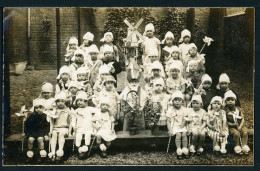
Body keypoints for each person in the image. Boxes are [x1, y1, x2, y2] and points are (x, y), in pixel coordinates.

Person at [48, 92, 73, 162]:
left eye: (62, 101)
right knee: (54, 135)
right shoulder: (54, 111)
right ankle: (53, 153)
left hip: (64, 128)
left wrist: (69, 132)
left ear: (65, 102)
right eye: (58, 101)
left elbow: (71, 122)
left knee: (61, 134)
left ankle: (60, 153)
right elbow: (51, 122)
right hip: (55, 128)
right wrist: (50, 131)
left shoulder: (68, 110)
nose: (60, 103)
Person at [224, 90, 250, 155]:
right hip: (231, 126)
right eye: (228, 100)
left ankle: (244, 146)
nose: (230, 101)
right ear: (225, 102)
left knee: (245, 132)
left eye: (232, 100)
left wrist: (240, 126)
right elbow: (225, 121)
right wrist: (232, 124)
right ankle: (237, 147)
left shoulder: (238, 109)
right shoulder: (225, 110)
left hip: (240, 125)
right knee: (236, 134)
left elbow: (242, 118)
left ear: (235, 101)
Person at [72, 91, 97, 159]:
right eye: (77, 101)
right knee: (78, 136)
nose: (79, 102)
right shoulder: (76, 110)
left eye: (81, 100)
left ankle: (86, 149)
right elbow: (73, 119)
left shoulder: (90, 109)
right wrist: (74, 126)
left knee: (88, 135)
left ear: (86, 101)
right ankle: (79, 149)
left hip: (88, 127)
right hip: (80, 128)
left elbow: (98, 111)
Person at [24, 99, 50, 163]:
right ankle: (30, 155)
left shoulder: (45, 116)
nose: (38, 109)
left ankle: (42, 155)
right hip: (33, 132)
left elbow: (47, 126)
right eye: (36, 108)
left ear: (43, 108)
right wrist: (26, 133)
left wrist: (46, 134)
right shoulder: (32, 116)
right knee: (30, 139)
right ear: (34, 108)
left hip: (42, 132)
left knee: (40, 139)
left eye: (40, 108)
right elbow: (27, 125)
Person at [166, 91, 189, 159]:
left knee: (184, 133)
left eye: (179, 100)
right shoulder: (170, 109)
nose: (177, 102)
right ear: (172, 101)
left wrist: (182, 125)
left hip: (182, 125)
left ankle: (184, 149)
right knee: (178, 134)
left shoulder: (184, 109)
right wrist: (169, 130)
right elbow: (168, 121)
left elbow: (185, 119)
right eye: (175, 100)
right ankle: (178, 149)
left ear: (182, 101)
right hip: (174, 126)